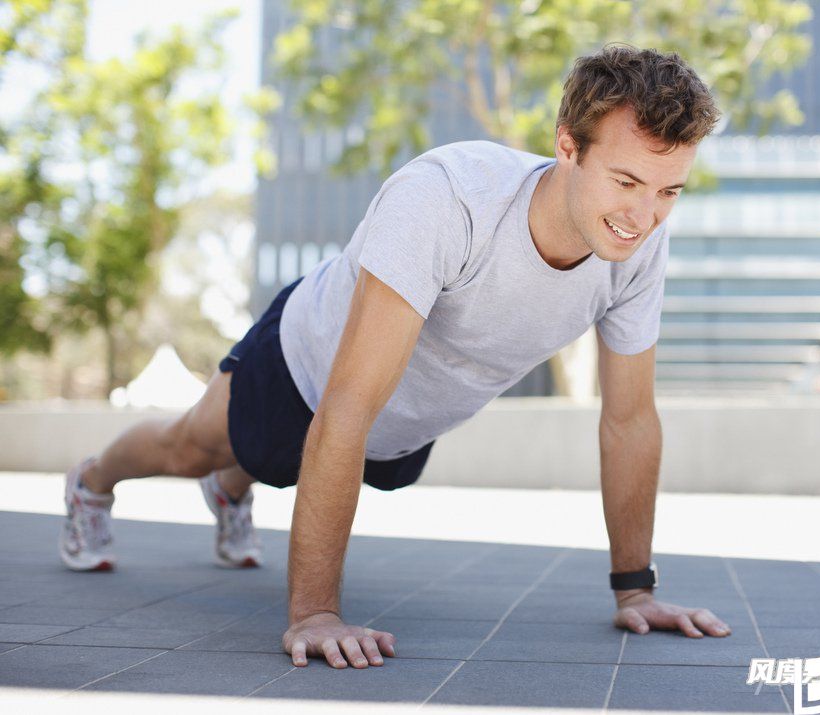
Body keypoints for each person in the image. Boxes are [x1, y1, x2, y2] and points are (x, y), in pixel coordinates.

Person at [59, 44, 733, 670]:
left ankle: (236, 482)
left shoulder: (638, 247)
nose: (644, 216)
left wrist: (634, 591)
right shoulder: (448, 197)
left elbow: (629, 420)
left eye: (668, 191)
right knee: (191, 446)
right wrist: (315, 612)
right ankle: (94, 481)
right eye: (627, 181)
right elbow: (347, 400)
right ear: (567, 147)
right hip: (307, 364)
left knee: (304, 462)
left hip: (398, 424)